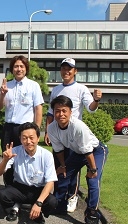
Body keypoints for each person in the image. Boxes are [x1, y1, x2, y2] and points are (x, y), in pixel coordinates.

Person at [44, 58, 102, 213]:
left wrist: (96, 99)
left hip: (75, 136)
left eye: (69, 69)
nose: (66, 71)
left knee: (74, 171)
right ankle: (59, 198)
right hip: (59, 133)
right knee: (61, 167)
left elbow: (91, 108)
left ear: (75, 71)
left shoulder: (81, 88)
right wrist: (47, 130)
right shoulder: (56, 89)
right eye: (63, 68)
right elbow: (51, 112)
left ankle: (72, 196)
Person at [47, 95, 108, 224]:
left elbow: (88, 150)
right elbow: (59, 150)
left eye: (64, 111)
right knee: (63, 175)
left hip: (95, 151)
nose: (60, 114)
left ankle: (92, 215)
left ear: (70, 112)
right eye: (57, 111)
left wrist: (92, 169)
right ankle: (60, 205)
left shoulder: (78, 126)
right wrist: (62, 166)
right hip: (77, 152)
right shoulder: (52, 128)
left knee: (93, 181)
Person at [0, 122, 58, 224]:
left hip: (38, 189)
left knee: (52, 202)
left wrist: (39, 203)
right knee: (1, 195)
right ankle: (13, 209)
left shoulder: (47, 155)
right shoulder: (15, 151)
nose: (28, 141)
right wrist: (5, 160)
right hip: (19, 188)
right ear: (20, 139)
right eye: (24, 138)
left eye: (31, 137)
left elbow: (50, 182)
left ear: (38, 138)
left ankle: (37, 211)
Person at [0, 55, 44, 186]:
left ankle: (24, 189)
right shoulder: (7, 86)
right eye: (16, 66)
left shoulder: (33, 86)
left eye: (21, 66)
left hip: (25, 129)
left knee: (24, 159)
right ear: (12, 69)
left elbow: (38, 109)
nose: (19, 69)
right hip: (9, 128)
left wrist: (36, 130)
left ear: (26, 69)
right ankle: (9, 190)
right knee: (7, 158)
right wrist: (3, 93)